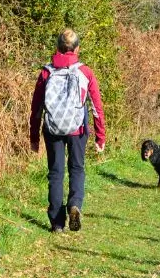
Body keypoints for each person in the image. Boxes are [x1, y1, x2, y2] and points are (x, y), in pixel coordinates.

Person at [29, 28, 106, 233]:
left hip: (52, 129)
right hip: (77, 129)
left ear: (57, 48)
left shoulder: (46, 72)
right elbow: (96, 107)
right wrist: (100, 136)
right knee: (77, 169)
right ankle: (75, 205)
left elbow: (36, 108)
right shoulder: (85, 72)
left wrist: (34, 136)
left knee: (55, 173)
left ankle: (56, 223)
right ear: (77, 48)